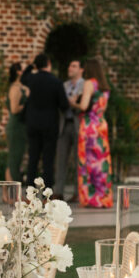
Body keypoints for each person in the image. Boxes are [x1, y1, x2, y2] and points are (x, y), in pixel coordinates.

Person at [20, 53, 69, 189]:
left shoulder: (32, 79)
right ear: (48, 63)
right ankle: (48, 192)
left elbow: (23, 78)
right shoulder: (56, 82)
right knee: (48, 160)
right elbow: (64, 105)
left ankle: (30, 192)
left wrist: (31, 66)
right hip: (49, 125)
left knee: (33, 158)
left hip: (33, 123)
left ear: (37, 65)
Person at [71, 57, 113, 208]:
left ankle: (90, 198)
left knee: (88, 162)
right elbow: (103, 108)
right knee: (101, 161)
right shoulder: (104, 87)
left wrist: (73, 102)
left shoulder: (89, 83)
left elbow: (83, 106)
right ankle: (103, 198)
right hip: (101, 125)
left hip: (89, 126)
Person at [55, 59, 85, 201]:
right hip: (64, 123)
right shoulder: (64, 85)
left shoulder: (86, 85)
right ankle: (58, 191)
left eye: (74, 66)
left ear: (81, 70)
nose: (70, 68)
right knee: (61, 158)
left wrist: (74, 102)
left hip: (78, 124)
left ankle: (77, 193)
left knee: (78, 159)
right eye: (69, 65)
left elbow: (83, 103)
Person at [5, 62, 29, 183]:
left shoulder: (21, 87)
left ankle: (8, 193)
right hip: (16, 127)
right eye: (25, 70)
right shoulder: (15, 88)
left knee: (16, 159)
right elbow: (14, 109)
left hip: (21, 126)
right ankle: (10, 192)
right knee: (14, 159)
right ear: (19, 72)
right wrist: (27, 104)